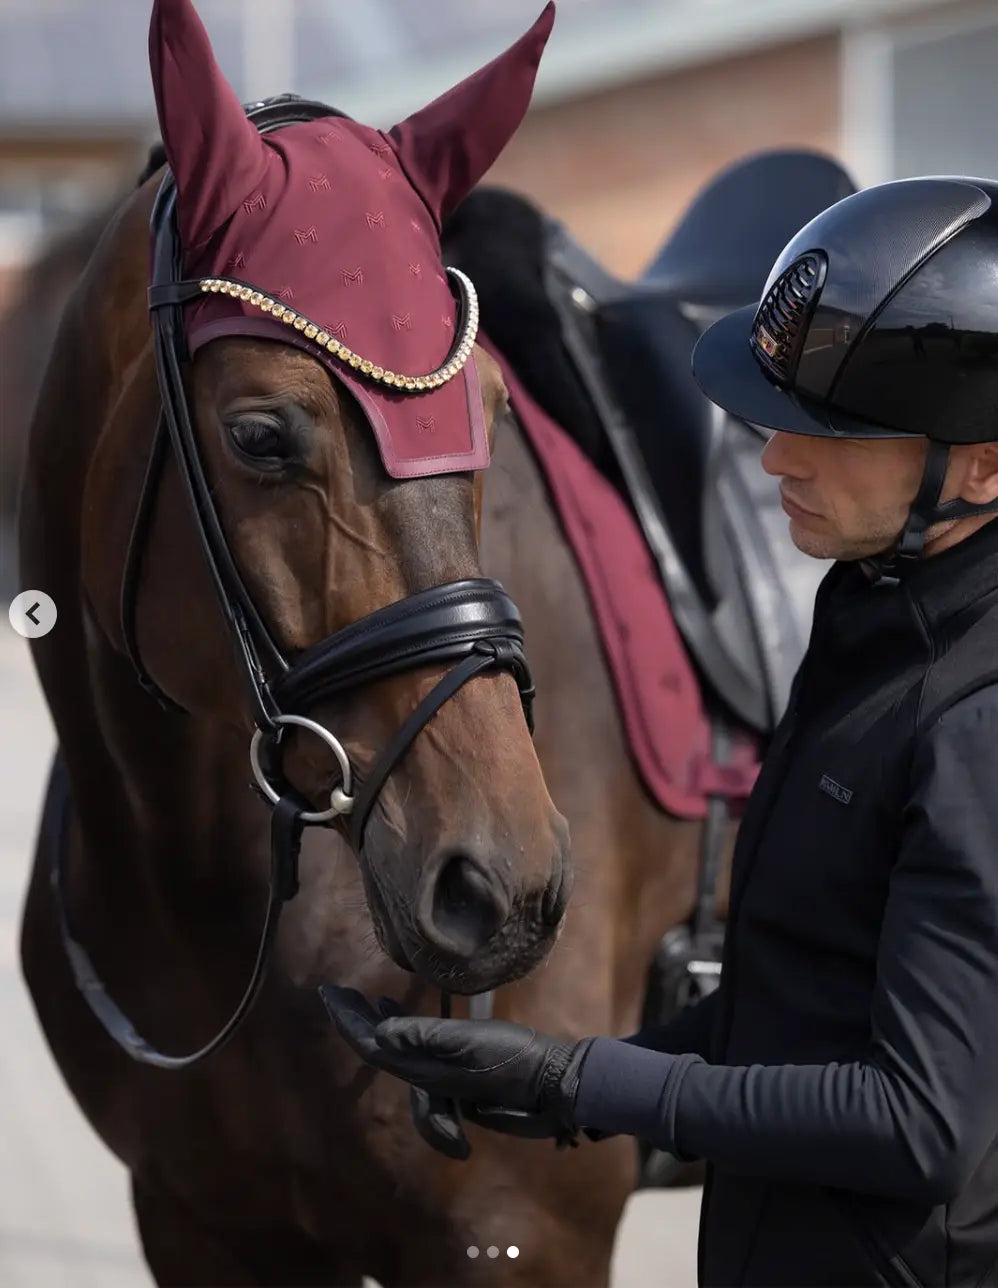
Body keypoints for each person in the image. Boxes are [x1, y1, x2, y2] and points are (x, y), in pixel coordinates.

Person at [322, 175, 998, 1286]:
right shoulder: (876, 615)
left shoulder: (974, 722)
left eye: (833, 431)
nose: (775, 457)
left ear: (980, 463)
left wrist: (587, 1087)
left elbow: (916, 1120)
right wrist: (553, 1075)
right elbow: (804, 1007)